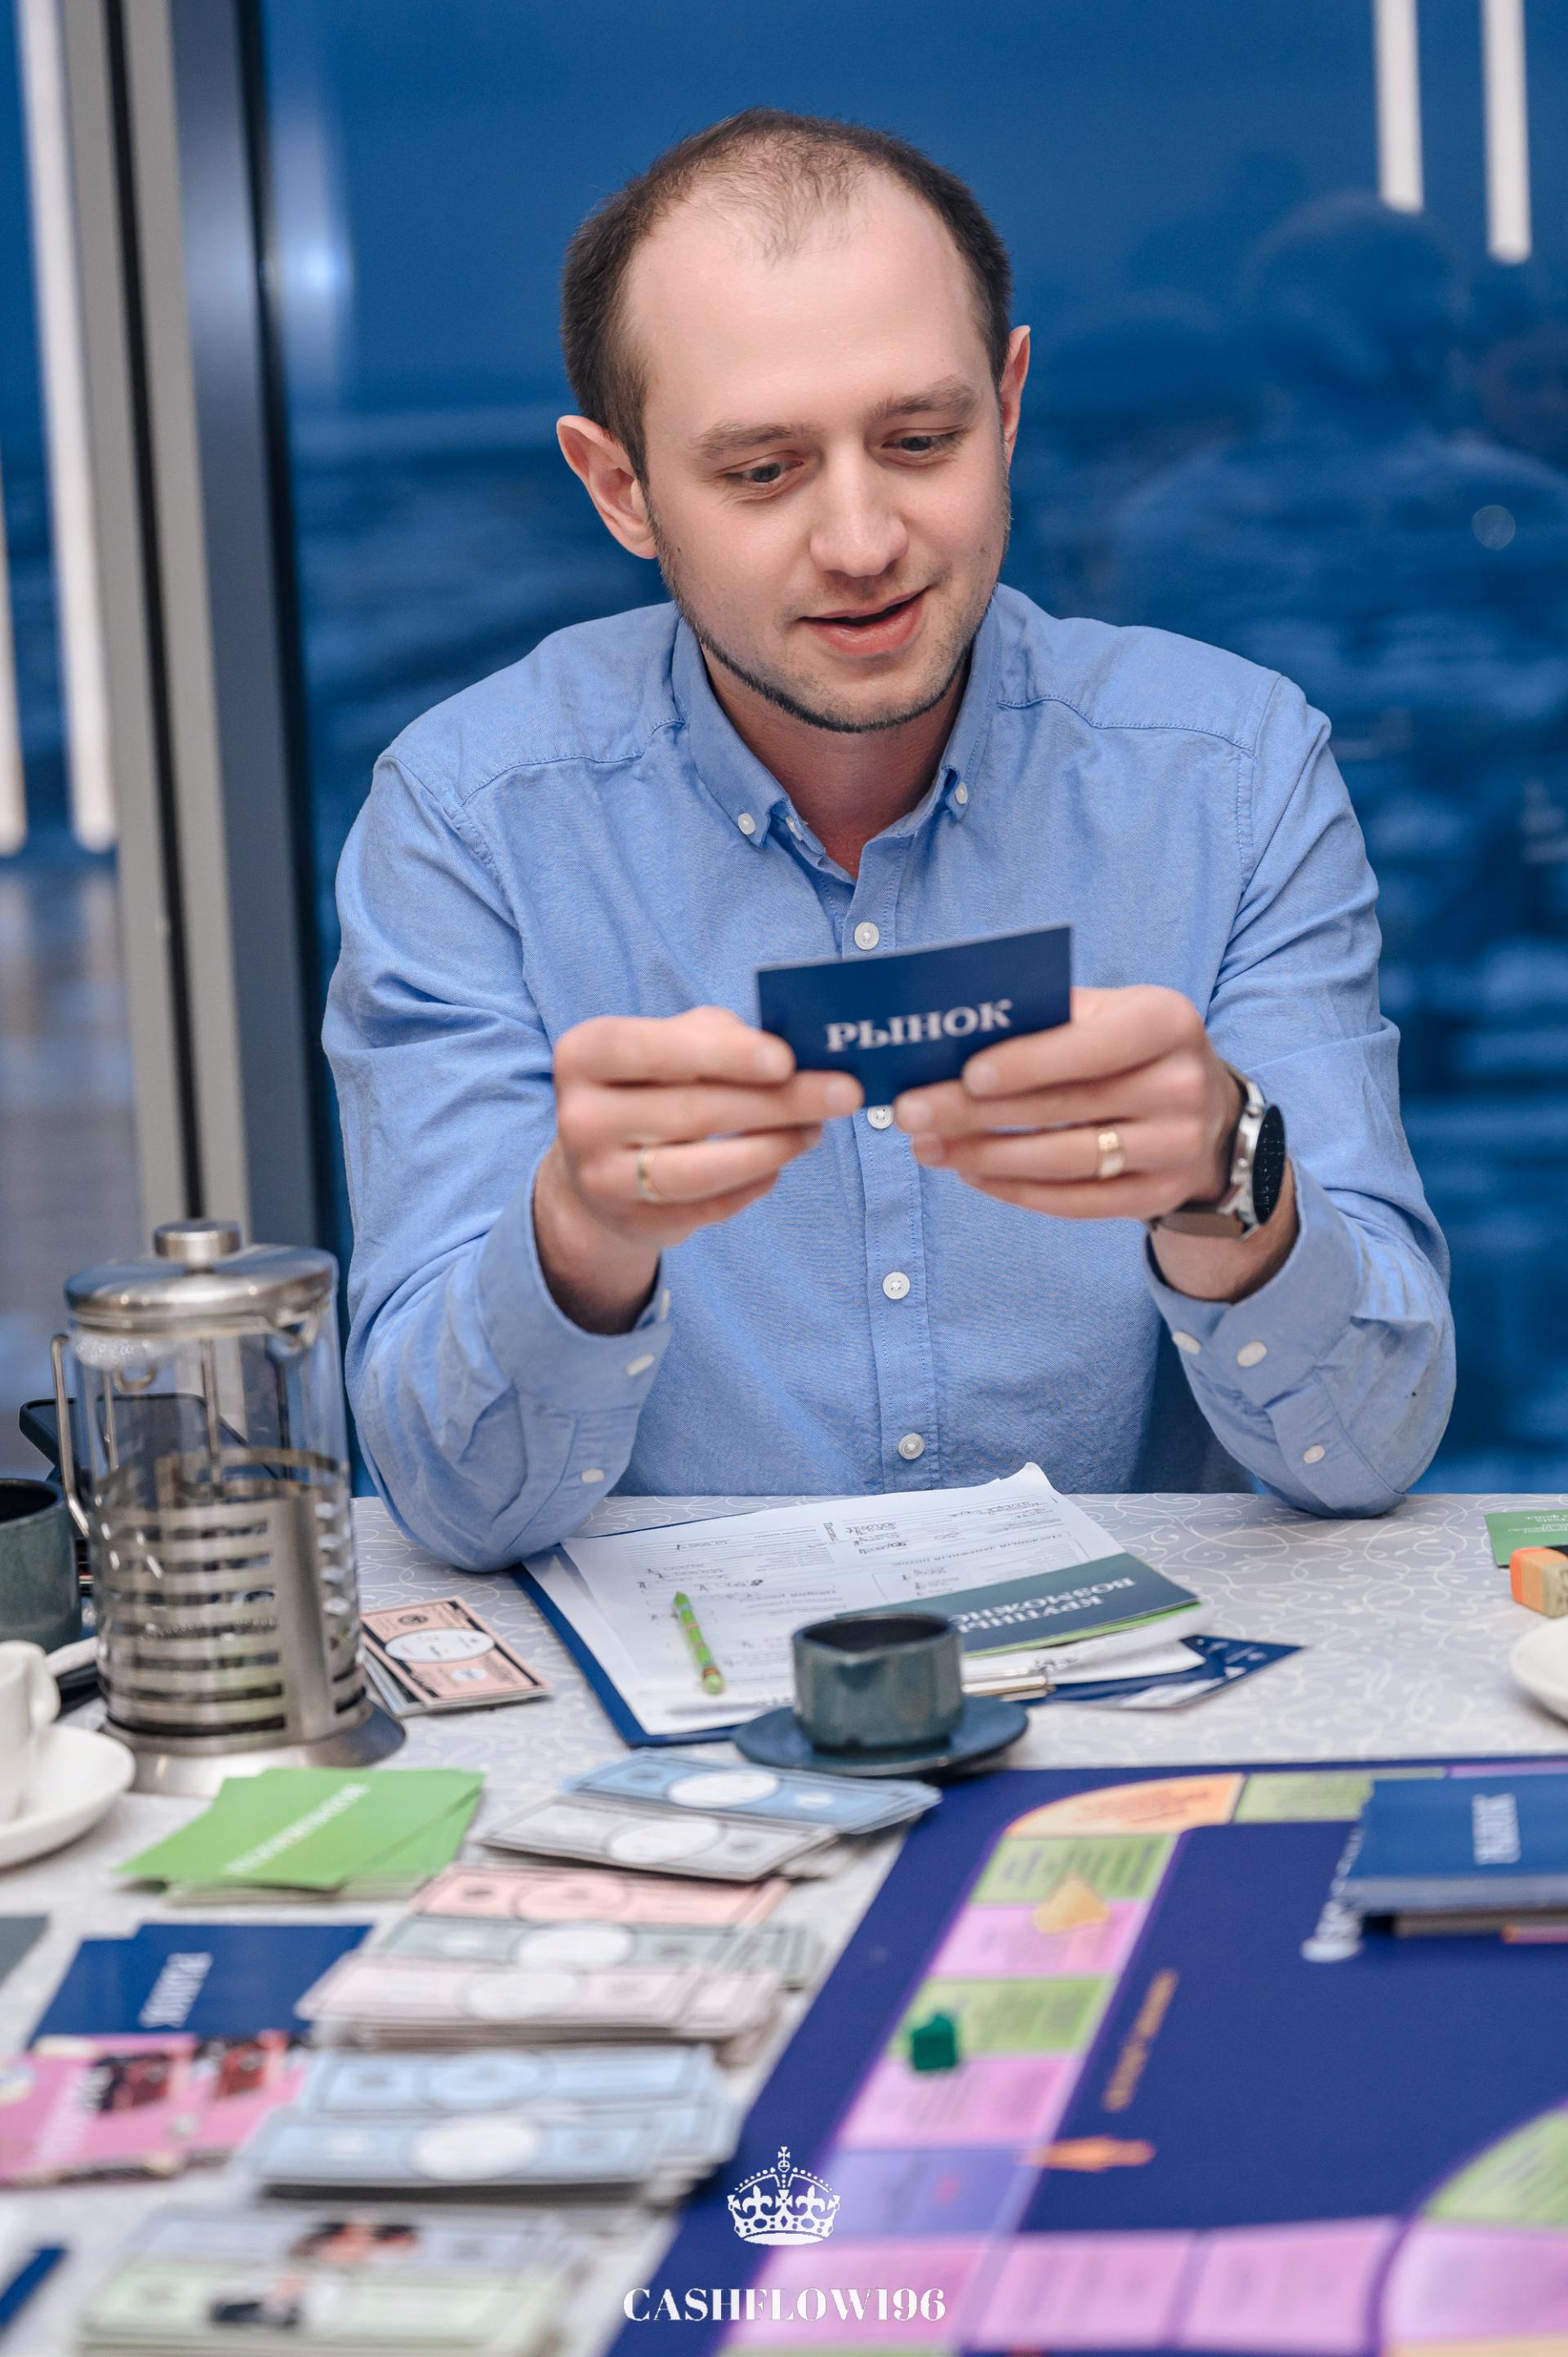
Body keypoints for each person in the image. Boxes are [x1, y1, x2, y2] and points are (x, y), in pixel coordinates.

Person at [325, 109, 1454, 1571]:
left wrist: (1232, 1176)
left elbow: (1369, 1449)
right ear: (621, 490)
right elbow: (451, 1499)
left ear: (1010, 406)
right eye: (762, 471)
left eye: (921, 441)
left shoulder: (1234, 778)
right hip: (679, 1702)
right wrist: (577, 1235)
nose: (862, 543)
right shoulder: (468, 819)